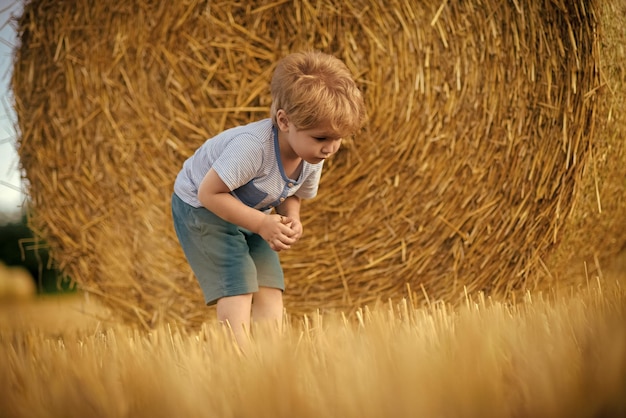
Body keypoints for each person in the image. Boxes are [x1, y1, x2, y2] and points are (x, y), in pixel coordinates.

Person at [171, 50, 366, 349]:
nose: (329, 148)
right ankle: (236, 356)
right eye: (321, 138)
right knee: (237, 278)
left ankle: (269, 357)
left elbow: (292, 193)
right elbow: (209, 193)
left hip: (252, 211)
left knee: (269, 281)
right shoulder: (253, 148)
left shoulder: (311, 154)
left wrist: (293, 219)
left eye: (337, 139)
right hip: (201, 208)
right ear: (284, 121)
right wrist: (262, 223)